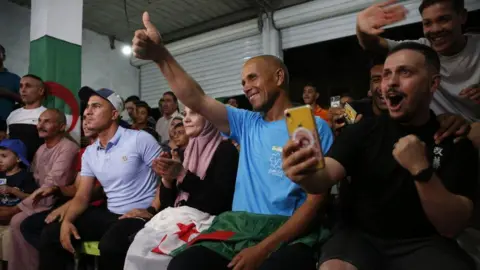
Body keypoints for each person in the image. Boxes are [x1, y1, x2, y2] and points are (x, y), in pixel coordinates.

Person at [132, 12, 334, 270]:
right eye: (242, 81)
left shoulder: (310, 126)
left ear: (279, 77)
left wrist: (263, 249)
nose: (246, 86)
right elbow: (196, 98)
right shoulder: (247, 122)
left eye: (253, 78)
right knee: (184, 265)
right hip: (238, 227)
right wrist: (161, 57)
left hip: (285, 230)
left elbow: (315, 201)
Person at [283, 42, 478, 270]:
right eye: (386, 75)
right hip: (359, 237)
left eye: (405, 72)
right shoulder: (362, 131)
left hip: (422, 242)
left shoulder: (453, 140)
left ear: (433, 83)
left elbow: (451, 226)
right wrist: (302, 172)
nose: (391, 82)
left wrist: (421, 171)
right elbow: (322, 178)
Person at [38, 87, 161, 270]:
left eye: (96, 106)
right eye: (87, 107)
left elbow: (167, 180)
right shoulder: (90, 153)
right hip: (110, 215)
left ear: (114, 114)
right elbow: (82, 197)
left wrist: (151, 210)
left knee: (110, 246)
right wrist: (68, 220)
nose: (87, 112)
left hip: (139, 216)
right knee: (51, 234)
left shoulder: (139, 139)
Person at [124, 106, 239, 270]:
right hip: (181, 220)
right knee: (130, 246)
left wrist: (182, 174)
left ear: (209, 117)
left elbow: (217, 202)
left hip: (210, 224)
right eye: (185, 114)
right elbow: (168, 203)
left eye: (194, 113)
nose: (186, 119)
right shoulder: (186, 152)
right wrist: (167, 179)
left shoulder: (226, 150)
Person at [356, 0, 480, 122]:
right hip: (441, 134)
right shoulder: (419, 51)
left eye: (443, 19)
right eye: (427, 23)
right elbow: (373, 44)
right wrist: (361, 27)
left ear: (462, 16)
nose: (435, 29)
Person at [9, 109, 79, 270]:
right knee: (16, 220)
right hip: (39, 201)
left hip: (58, 203)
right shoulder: (41, 149)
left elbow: (52, 186)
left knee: (18, 220)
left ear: (61, 127)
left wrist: (15, 209)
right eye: (39, 121)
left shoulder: (68, 148)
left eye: (47, 121)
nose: (40, 125)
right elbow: (34, 181)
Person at [19, 118, 104, 251]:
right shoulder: (84, 152)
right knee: (29, 225)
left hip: (97, 207)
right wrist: (55, 190)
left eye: (92, 117)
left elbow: (96, 191)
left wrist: (67, 207)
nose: (86, 121)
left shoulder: (110, 151)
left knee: (44, 230)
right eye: (85, 119)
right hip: (78, 203)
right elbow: (77, 189)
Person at [7, 74, 47, 162]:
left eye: (28, 86)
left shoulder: (47, 114)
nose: (23, 90)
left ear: (40, 91)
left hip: (38, 166)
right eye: (21, 86)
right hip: (14, 167)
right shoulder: (13, 115)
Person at [0, 139, 36, 222]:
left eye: (4, 156)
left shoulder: (26, 176)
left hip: (16, 211)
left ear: (18, 158)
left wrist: (12, 190)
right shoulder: (1, 173)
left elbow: (31, 198)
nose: (0, 160)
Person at [0, 45, 21, 124]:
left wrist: (7, 93)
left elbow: (27, 101)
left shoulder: (14, 78)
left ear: (4, 57)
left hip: (6, 122)